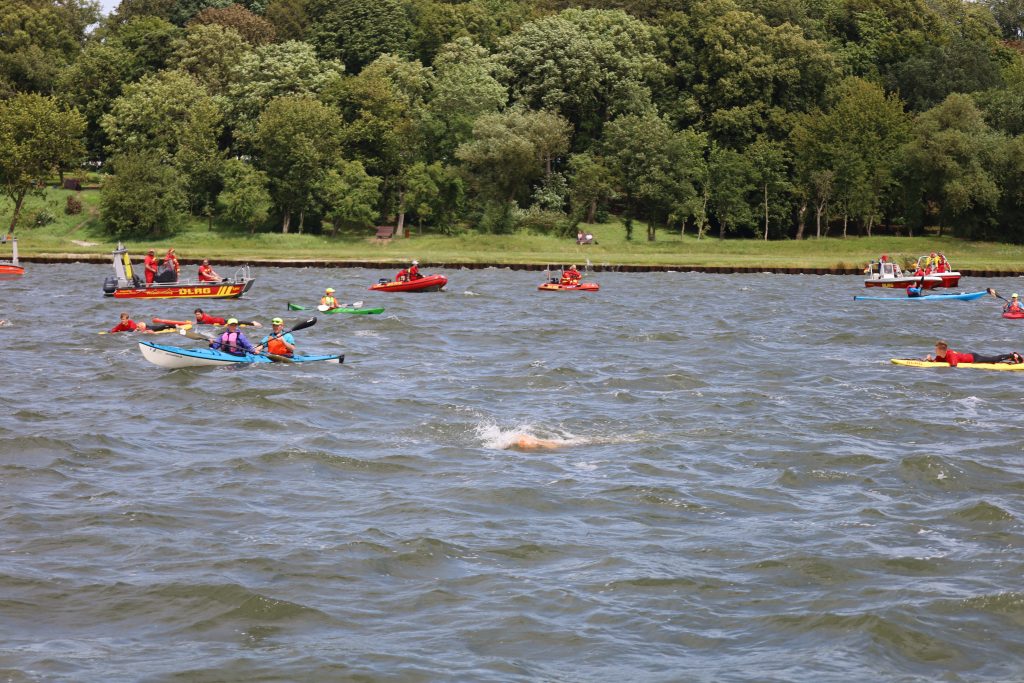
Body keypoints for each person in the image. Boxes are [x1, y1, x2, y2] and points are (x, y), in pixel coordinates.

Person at [926, 341, 1023, 366]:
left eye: (936, 350)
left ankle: (1012, 355)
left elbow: (954, 366)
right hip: (968, 355)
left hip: (974, 358)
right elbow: (937, 361)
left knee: (993, 359)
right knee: (992, 359)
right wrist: (930, 360)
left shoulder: (951, 355)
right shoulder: (941, 355)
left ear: (941, 350)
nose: (935, 351)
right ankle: (1010, 356)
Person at [193, 308, 262, 327]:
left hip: (221, 321)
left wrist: (194, 323)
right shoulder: (201, 317)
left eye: (198, 314)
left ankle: (252, 323)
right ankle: (251, 323)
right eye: (196, 314)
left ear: (202, 314)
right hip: (217, 320)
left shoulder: (205, 318)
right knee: (236, 322)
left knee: (236, 322)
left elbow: (201, 323)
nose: (197, 316)